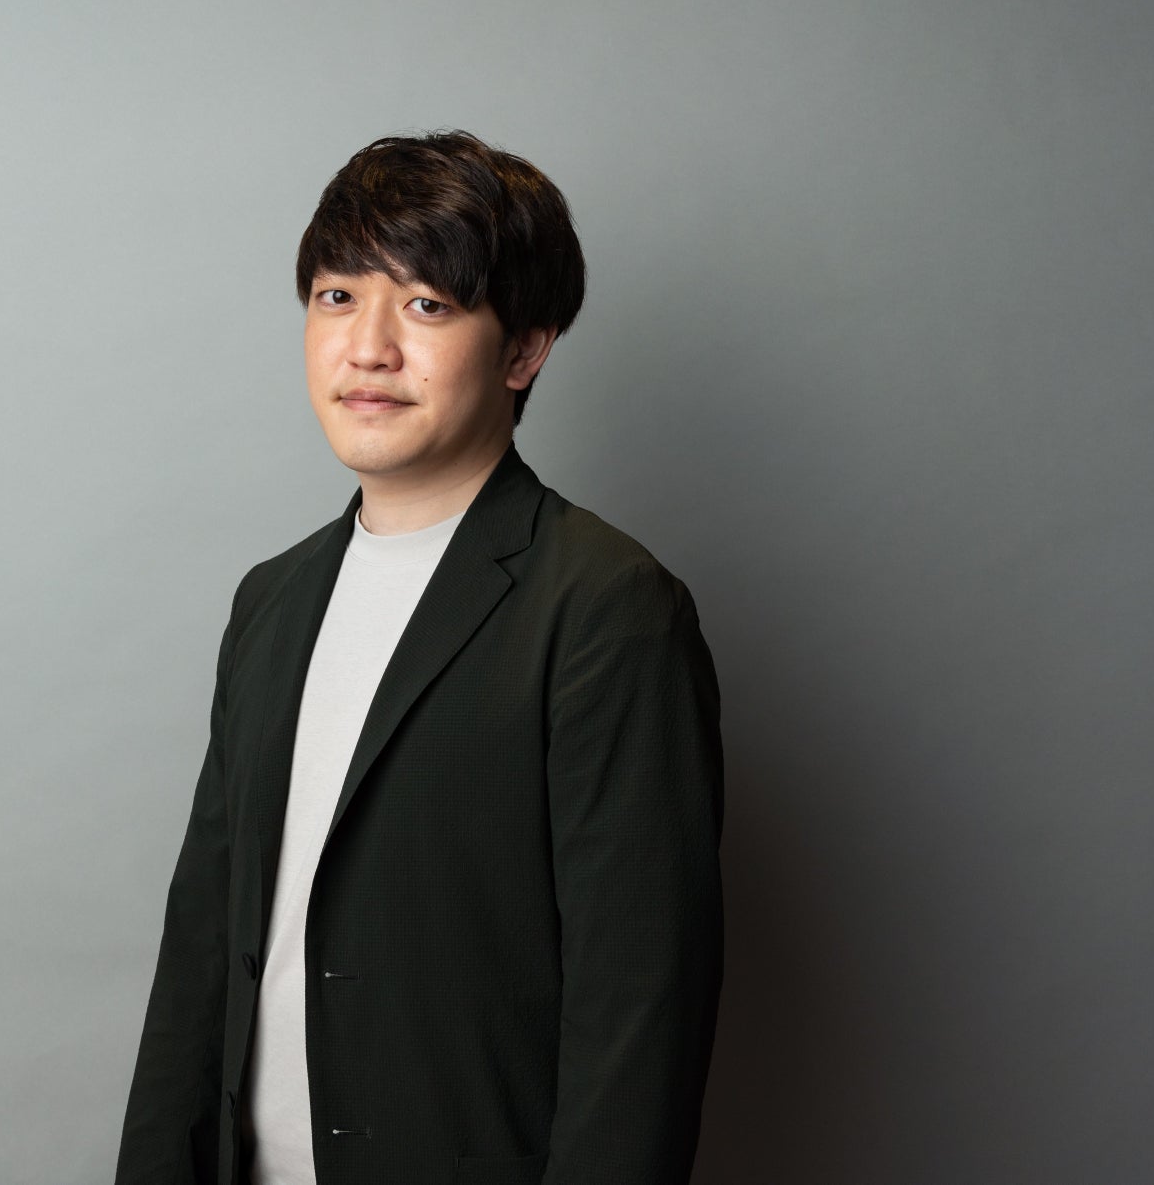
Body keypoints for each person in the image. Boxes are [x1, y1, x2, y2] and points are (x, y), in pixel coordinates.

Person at [113, 130, 724, 1185]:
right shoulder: (270, 601)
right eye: (337, 297)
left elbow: (640, 1014)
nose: (369, 348)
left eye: (428, 305)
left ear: (524, 350)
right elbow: (201, 952)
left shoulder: (608, 608)